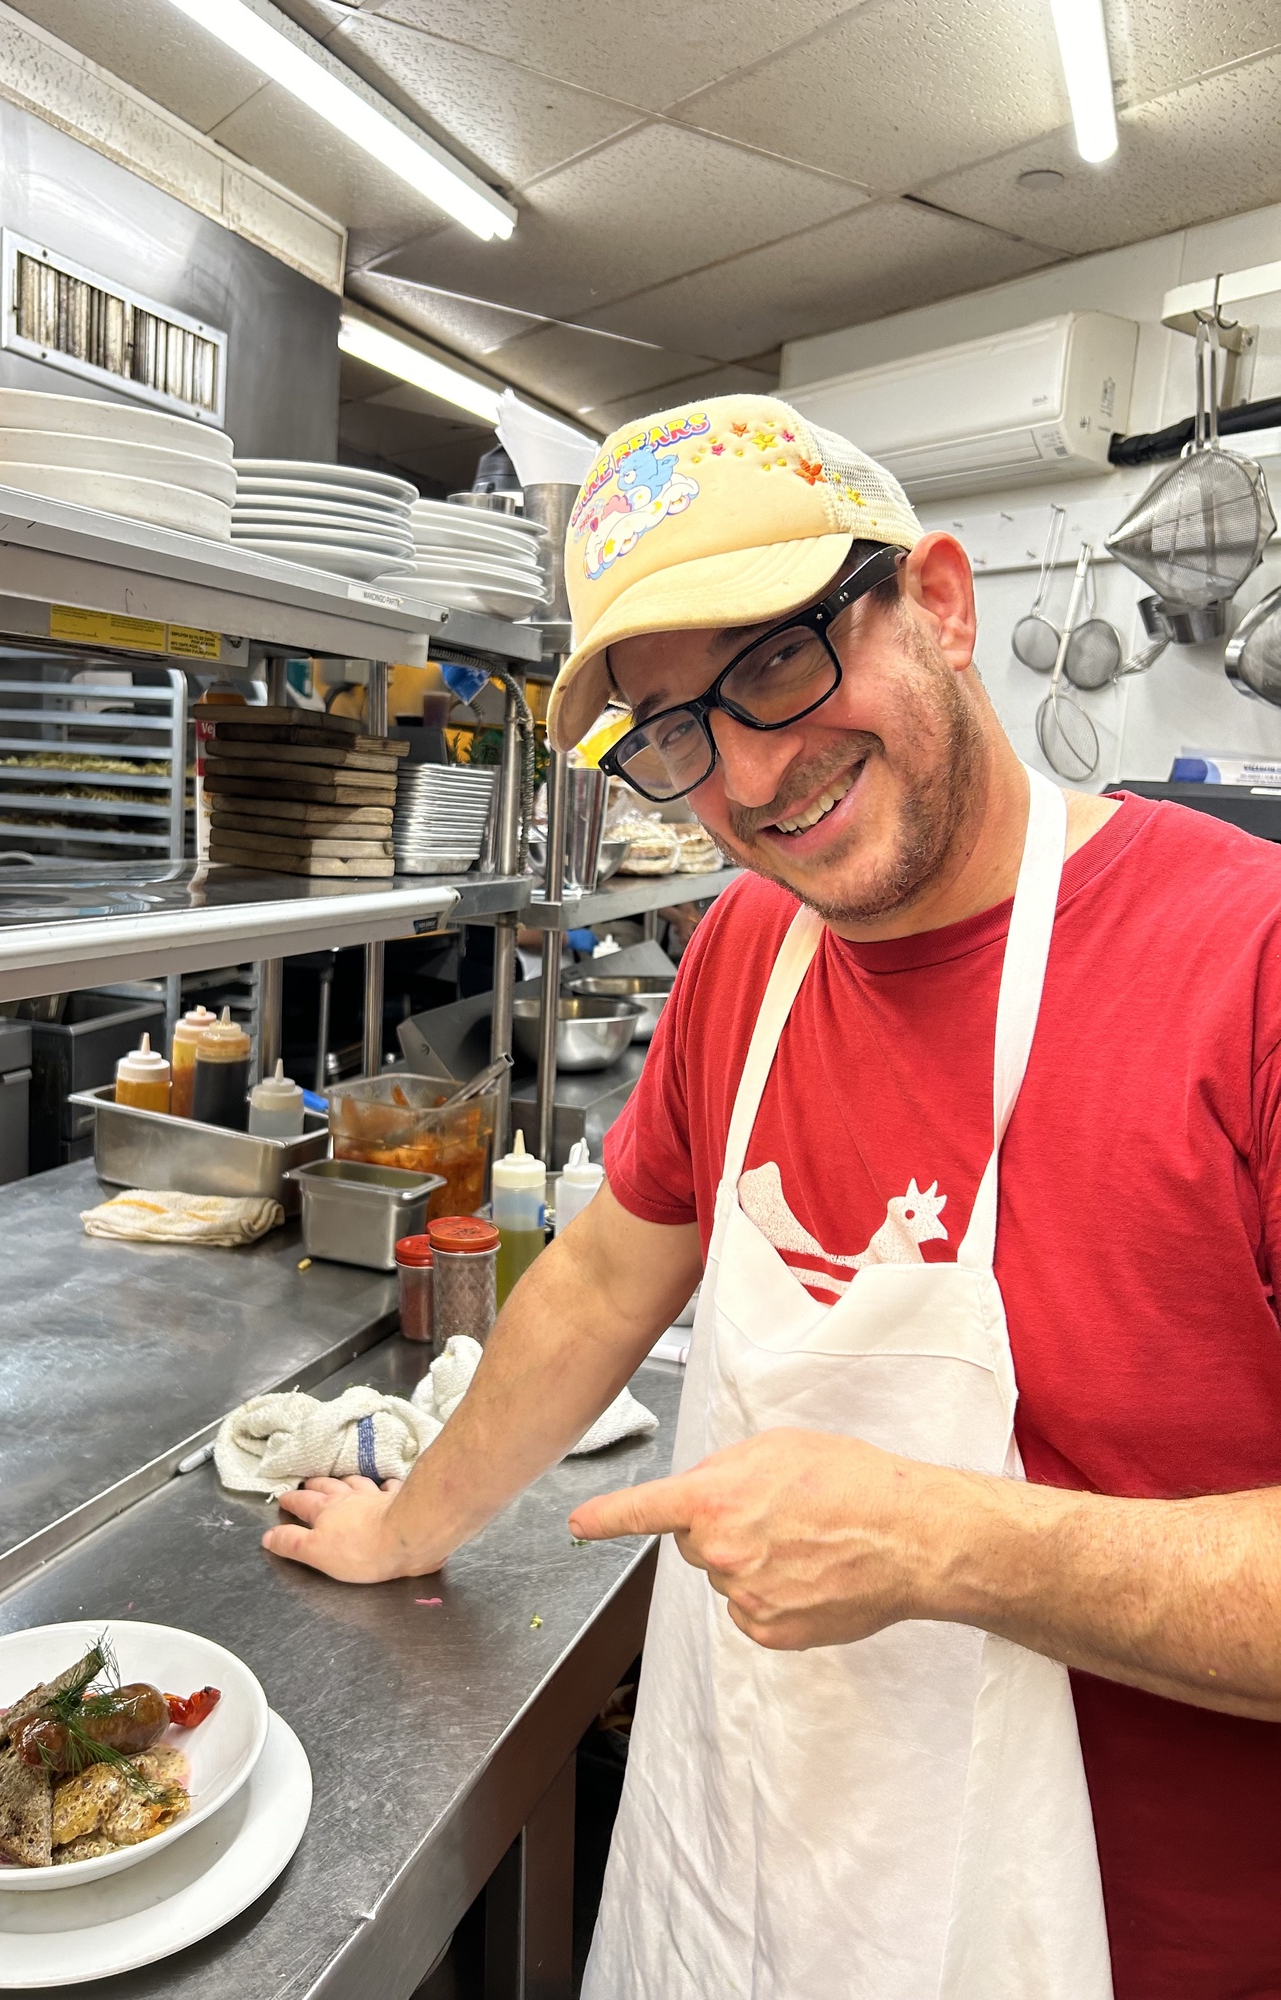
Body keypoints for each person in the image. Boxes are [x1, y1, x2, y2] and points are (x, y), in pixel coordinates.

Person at [259, 395, 1281, 1999]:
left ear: (939, 602)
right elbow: (604, 1277)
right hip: (762, 1891)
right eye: (676, 730)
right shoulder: (748, 953)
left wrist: (948, 1544)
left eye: (781, 658)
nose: (748, 771)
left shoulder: (1248, 966)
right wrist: (412, 1521)